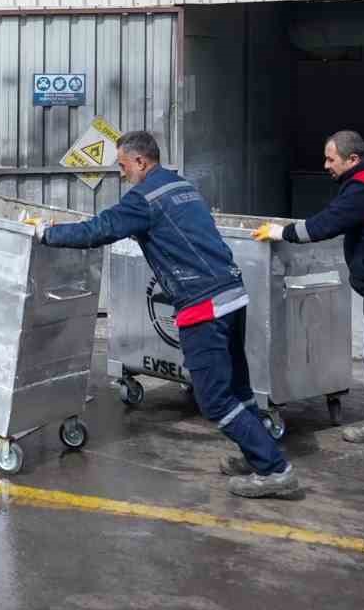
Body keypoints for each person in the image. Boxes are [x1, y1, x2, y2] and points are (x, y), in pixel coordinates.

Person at [37, 130, 300, 499]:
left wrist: (47, 234)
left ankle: (274, 470)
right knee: (238, 388)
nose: (122, 174)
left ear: (141, 161)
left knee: (214, 399)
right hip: (231, 293)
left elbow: (99, 230)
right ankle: (256, 454)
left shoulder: (144, 198)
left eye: (124, 166)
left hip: (202, 303)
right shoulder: (182, 186)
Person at [252, 131, 364, 463]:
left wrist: (281, 232)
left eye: (331, 159)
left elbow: (325, 225)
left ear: (353, 159)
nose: (326, 165)